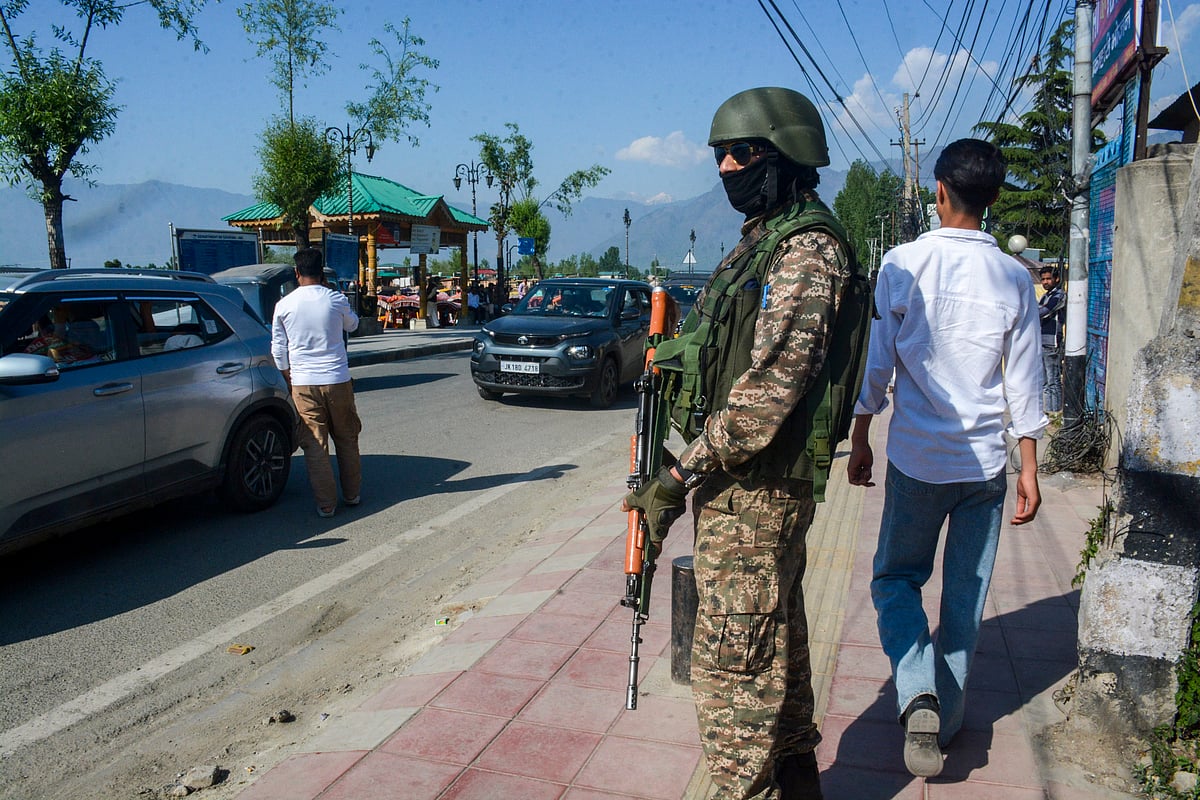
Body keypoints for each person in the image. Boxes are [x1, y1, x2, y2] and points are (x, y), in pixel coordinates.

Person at [624, 86, 854, 800]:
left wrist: (676, 478)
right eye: (720, 154)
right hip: (743, 487)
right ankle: (797, 778)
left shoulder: (806, 250)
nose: (726, 166)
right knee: (774, 641)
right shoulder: (763, 240)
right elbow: (724, 351)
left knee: (734, 676)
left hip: (760, 489)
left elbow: (765, 398)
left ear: (785, 155)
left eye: (743, 152)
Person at [846, 138, 1047, 778]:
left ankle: (917, 695)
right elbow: (1025, 381)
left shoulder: (903, 263)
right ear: (992, 198)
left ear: (939, 191)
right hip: (985, 467)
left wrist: (860, 436)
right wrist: (1029, 468)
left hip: (916, 461)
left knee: (895, 580)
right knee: (965, 598)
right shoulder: (1015, 278)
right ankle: (947, 723)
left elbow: (878, 364)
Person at [271, 248, 363, 518]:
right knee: (346, 437)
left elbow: (278, 348)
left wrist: (288, 377)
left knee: (314, 444)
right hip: (337, 379)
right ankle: (352, 494)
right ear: (322, 272)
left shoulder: (284, 305)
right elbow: (353, 325)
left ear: (296, 273)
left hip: (303, 382)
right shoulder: (335, 299)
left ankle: (326, 504)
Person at [1038, 267, 1066, 413]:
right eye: (1043, 279)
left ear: (1056, 279)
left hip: (1052, 343)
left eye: (1048, 279)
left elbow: (1044, 311)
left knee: (1053, 380)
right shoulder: (1045, 296)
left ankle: (1055, 412)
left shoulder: (1059, 295)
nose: (1045, 282)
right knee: (1045, 382)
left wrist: (1028, 312)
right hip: (1042, 342)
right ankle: (1048, 412)